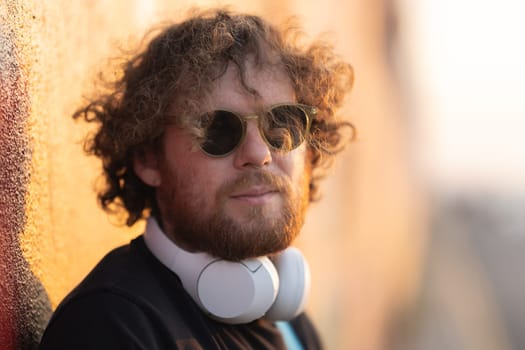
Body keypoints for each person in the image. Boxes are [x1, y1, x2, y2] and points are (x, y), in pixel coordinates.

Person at [39, 8, 354, 350]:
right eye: (218, 129)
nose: (259, 153)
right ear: (148, 158)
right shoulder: (109, 325)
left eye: (282, 123)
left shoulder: (291, 324)